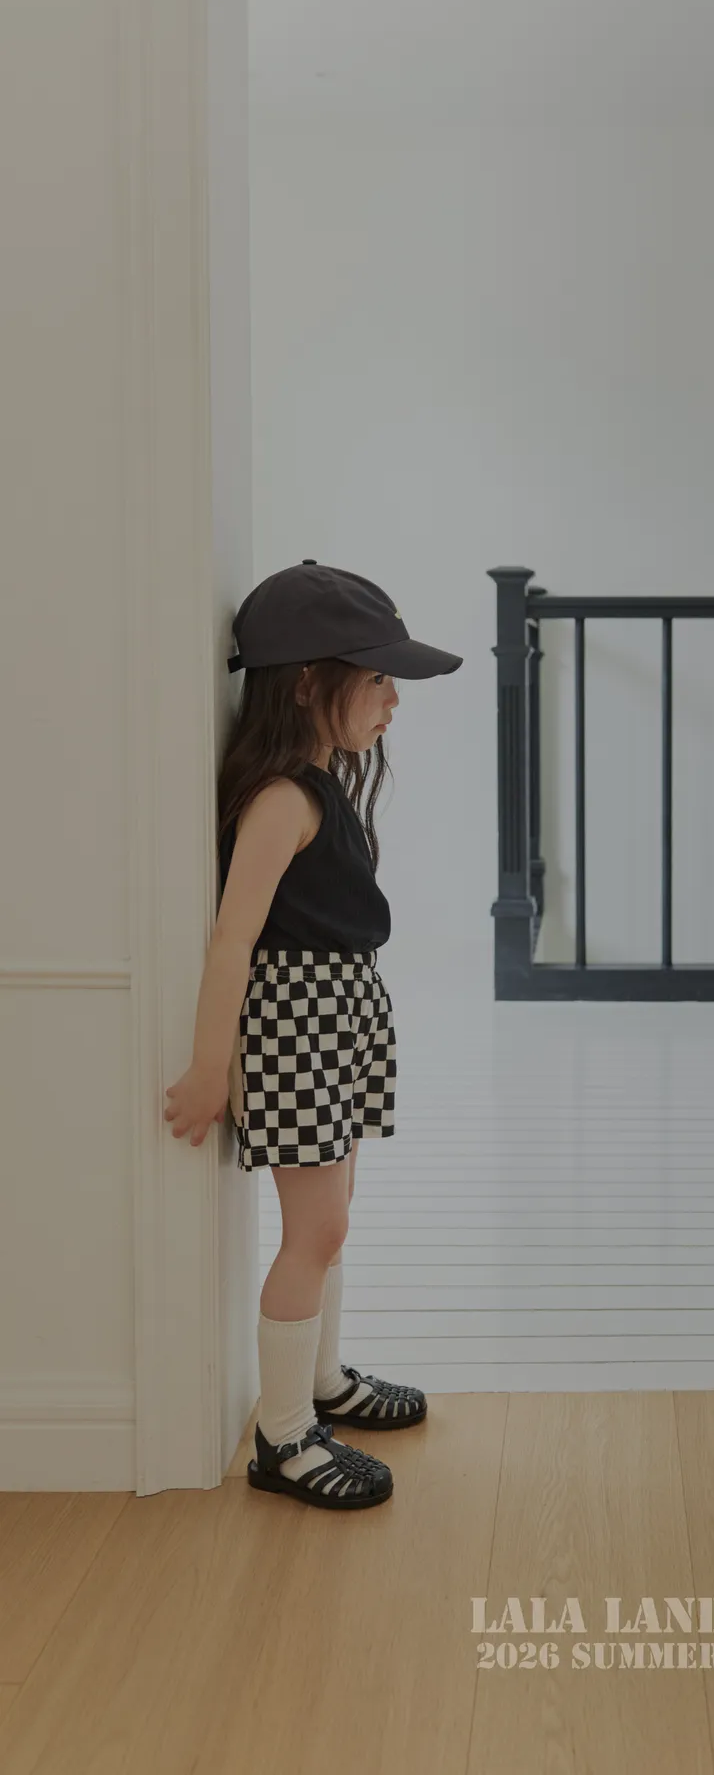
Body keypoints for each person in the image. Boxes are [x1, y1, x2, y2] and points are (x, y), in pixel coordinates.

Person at [164, 560, 462, 1510]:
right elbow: (232, 940)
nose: (392, 701)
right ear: (304, 683)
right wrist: (209, 1067)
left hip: (336, 1017)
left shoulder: (323, 787)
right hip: (294, 1026)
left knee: (333, 1223)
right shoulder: (282, 799)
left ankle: (322, 1382)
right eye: (375, 679)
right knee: (317, 1229)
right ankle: (284, 1435)